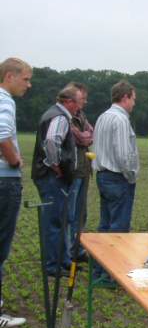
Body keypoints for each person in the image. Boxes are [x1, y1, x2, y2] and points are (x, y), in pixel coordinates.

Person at [31, 84, 83, 277]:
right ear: (68, 102)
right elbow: (52, 141)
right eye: (78, 103)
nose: (79, 107)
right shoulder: (60, 117)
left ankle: (61, 262)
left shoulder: (52, 114)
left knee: (58, 219)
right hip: (51, 177)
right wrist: (55, 165)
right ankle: (53, 265)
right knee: (54, 222)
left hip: (48, 176)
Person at [92, 80, 139, 284]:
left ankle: (99, 270)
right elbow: (123, 154)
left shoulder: (103, 117)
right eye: (133, 99)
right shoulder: (120, 120)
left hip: (103, 174)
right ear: (125, 96)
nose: (134, 104)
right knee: (118, 229)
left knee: (105, 227)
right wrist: (130, 175)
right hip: (117, 177)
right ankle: (111, 275)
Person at [0, 57, 31, 328]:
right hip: (4, 181)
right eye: (26, 79)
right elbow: (1, 135)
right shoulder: (5, 100)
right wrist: (14, 161)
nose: (29, 85)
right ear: (9, 76)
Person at [67, 82, 94, 263]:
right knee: (69, 213)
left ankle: (76, 248)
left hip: (84, 170)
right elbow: (82, 137)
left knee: (81, 213)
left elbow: (91, 133)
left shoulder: (81, 116)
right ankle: (67, 252)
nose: (84, 102)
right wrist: (85, 136)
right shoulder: (65, 117)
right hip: (73, 171)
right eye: (82, 99)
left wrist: (85, 136)